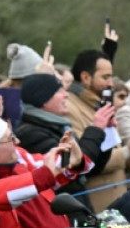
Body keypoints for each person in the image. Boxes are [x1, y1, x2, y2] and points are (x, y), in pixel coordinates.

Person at [66, 49, 130, 211]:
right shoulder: (71, 108)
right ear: (85, 77)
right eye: (105, 77)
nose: (111, 84)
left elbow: (114, 152)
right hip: (97, 203)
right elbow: (84, 160)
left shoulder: (100, 105)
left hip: (117, 201)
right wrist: (128, 152)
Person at [16, 73, 111, 206]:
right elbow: (72, 165)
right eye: (60, 91)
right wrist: (96, 129)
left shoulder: (60, 127)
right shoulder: (31, 134)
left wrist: (107, 131)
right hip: (61, 214)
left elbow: (91, 167)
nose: (66, 95)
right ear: (43, 99)